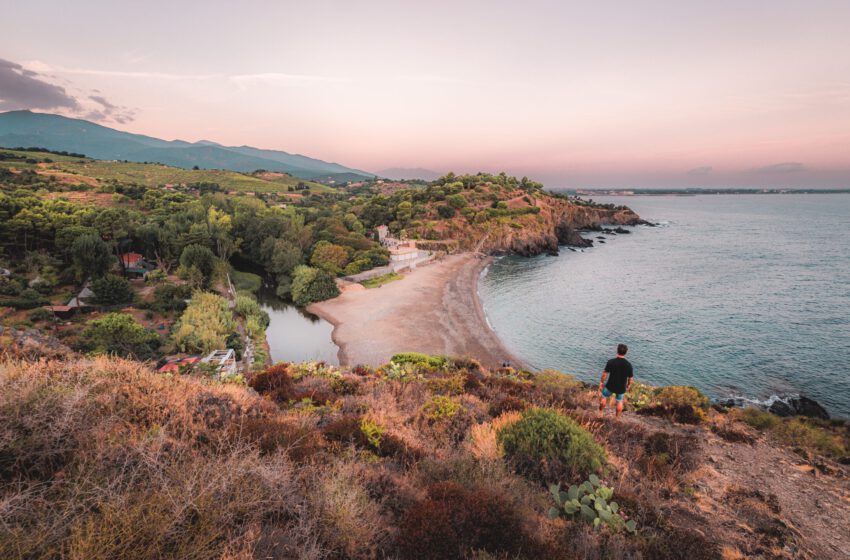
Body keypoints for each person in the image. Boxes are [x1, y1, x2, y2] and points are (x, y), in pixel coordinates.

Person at [599, 343, 634, 418]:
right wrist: (628, 386)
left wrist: (601, 382)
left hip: (610, 385)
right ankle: (617, 418)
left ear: (617, 351)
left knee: (604, 397)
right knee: (619, 401)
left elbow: (605, 374)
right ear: (626, 352)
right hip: (621, 387)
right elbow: (630, 379)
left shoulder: (611, 362)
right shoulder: (628, 365)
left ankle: (601, 413)